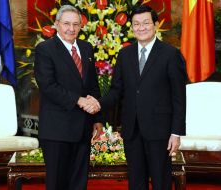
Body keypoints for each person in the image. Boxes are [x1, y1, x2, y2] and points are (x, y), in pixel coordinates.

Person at [86, 5, 187, 190]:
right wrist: (97, 104)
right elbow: (116, 90)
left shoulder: (171, 54)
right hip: (132, 130)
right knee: (136, 181)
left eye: (146, 23)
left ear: (155, 24)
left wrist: (176, 132)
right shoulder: (125, 54)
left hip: (160, 131)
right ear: (131, 27)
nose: (141, 28)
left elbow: (179, 97)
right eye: (136, 24)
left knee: (161, 181)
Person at [34, 5, 103, 190]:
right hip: (57, 129)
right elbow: (48, 86)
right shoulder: (45, 49)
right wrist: (79, 100)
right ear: (56, 24)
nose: (71, 29)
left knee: (79, 183)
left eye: (75, 24)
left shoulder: (87, 48)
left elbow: (92, 86)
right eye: (66, 24)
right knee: (57, 183)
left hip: (83, 127)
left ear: (81, 26)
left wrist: (97, 119)